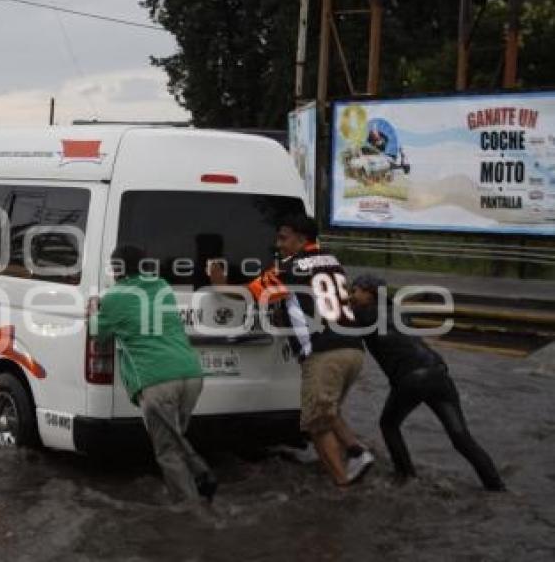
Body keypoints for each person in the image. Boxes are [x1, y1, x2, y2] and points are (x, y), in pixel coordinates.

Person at [209, 214, 373, 487]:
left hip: (324, 353)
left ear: (301, 239)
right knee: (328, 412)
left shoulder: (289, 267)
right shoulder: (332, 260)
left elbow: (251, 293)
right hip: (353, 349)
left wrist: (219, 284)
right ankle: (357, 452)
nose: (278, 244)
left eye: (283, 238)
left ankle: (343, 484)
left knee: (315, 424)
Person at [350, 274, 506, 491]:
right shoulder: (399, 311)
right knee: (461, 438)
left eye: (356, 290)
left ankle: (405, 476)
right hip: (438, 373)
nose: (352, 296)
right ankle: (497, 487)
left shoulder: (363, 314)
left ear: (370, 293)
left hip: (411, 379)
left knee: (388, 424)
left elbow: (337, 325)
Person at [90, 244, 217, 505]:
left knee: (168, 451)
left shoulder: (115, 296)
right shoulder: (161, 287)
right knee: (176, 438)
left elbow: (98, 333)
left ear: (117, 270)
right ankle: (194, 484)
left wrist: (94, 311)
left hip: (157, 380)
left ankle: (191, 511)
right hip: (191, 375)